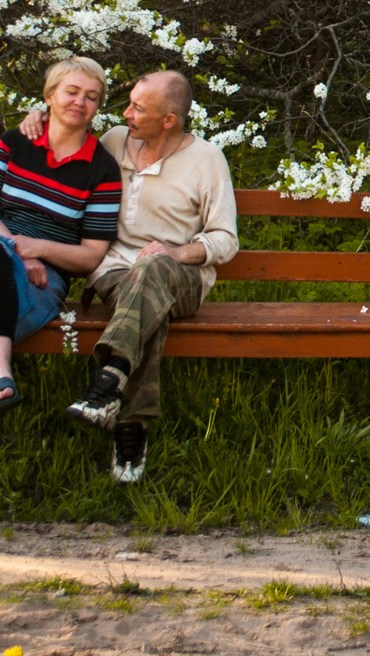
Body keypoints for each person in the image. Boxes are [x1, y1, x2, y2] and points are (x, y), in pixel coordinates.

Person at [27, 69, 237, 483]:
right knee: (144, 303)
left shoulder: (206, 159)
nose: (126, 113)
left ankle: (108, 383)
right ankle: (129, 423)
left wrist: (177, 252)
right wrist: (35, 116)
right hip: (113, 273)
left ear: (168, 120)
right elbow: (61, 134)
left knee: (153, 268)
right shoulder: (113, 142)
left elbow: (225, 239)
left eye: (138, 108)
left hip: (181, 278)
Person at [0, 56, 120, 473]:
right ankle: (1, 371)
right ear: (49, 96)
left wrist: (40, 250)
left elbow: (91, 254)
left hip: (40, 282)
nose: (80, 102)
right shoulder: (14, 142)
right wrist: (19, 250)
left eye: (92, 97)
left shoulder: (102, 169)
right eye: (71, 92)